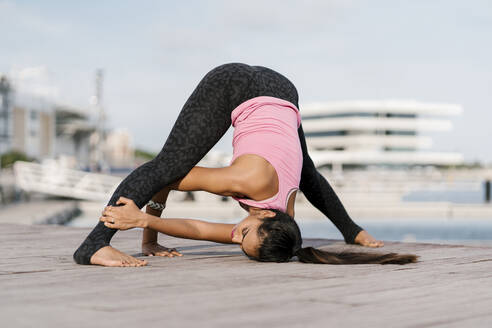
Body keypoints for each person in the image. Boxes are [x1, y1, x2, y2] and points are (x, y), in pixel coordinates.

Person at [74, 63, 417, 267]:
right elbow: (159, 176)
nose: (236, 235)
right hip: (236, 84)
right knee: (168, 163)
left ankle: (352, 231)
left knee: (307, 172)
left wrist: (150, 230)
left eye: (240, 242)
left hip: (285, 94)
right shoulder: (248, 182)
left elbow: (202, 230)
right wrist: (145, 228)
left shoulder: (280, 226)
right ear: (266, 216)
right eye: (244, 235)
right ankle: (92, 246)